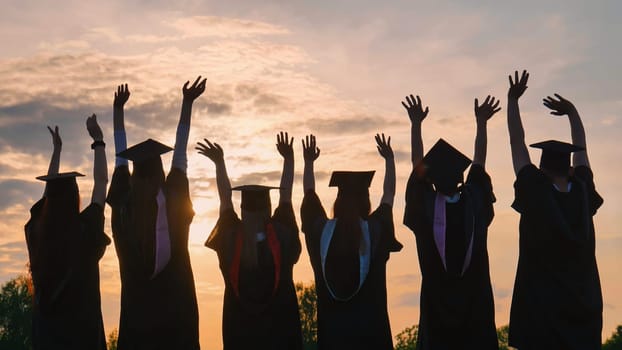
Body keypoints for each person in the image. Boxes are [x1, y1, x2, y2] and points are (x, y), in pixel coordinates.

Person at [506, 70, 604, 349]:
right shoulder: (583, 191)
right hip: (582, 307)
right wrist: (573, 113)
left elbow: (516, 142)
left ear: (541, 168)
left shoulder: (535, 192)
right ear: (570, 168)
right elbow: (582, 151)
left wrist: (512, 100)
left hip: (541, 310)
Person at [107, 78, 205, 349]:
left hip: (136, 327)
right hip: (178, 323)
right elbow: (181, 154)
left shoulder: (123, 211)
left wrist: (118, 111)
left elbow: (119, 160)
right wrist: (187, 104)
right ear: (161, 174)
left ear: (133, 176)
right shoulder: (174, 203)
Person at [402, 94, 499, 349]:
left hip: (437, 320)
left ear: (432, 180)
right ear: (461, 177)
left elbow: (417, 168)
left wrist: (416, 124)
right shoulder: (475, 202)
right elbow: (479, 162)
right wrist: (481, 122)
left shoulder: (425, 208)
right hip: (476, 315)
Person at [198, 132, 302, 349]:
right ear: (268, 208)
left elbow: (225, 200)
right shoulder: (281, 236)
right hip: (280, 336)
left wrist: (219, 163)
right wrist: (289, 159)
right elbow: (286, 197)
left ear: (243, 210)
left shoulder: (230, 239)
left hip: (240, 337)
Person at [300, 133, 402, 350]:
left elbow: (309, 196)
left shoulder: (321, 233)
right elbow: (388, 196)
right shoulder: (375, 231)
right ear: (366, 202)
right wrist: (390, 160)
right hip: (372, 337)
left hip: (333, 338)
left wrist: (308, 162)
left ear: (338, 201)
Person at [25, 115, 110, 350]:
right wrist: (98, 141)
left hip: (46, 341)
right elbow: (101, 183)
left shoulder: (36, 236)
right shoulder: (84, 233)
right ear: (74, 198)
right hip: (83, 339)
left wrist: (57, 152)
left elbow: (45, 201)